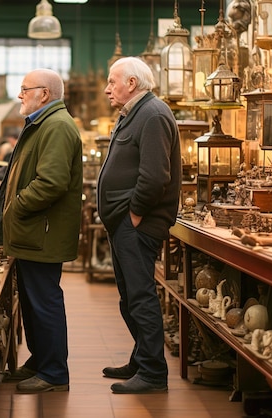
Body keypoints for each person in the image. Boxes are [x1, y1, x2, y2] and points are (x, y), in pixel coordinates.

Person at [0, 68, 83, 393]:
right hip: (33, 233)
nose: (20, 95)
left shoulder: (56, 127)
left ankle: (55, 372)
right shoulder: (43, 124)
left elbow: (52, 182)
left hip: (41, 232)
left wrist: (15, 206)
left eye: (24, 89)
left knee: (44, 301)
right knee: (32, 302)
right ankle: (40, 360)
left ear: (43, 94)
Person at [97, 57, 181, 394]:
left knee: (141, 296)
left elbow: (155, 176)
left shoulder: (153, 114)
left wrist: (134, 214)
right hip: (125, 223)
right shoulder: (135, 114)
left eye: (112, 81)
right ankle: (140, 358)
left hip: (139, 223)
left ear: (131, 83)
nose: (107, 89)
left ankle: (153, 373)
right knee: (129, 297)